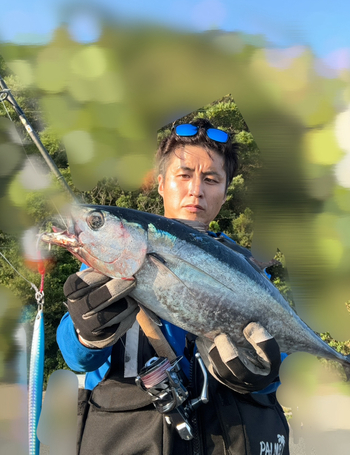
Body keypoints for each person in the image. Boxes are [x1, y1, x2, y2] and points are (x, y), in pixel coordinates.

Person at [57, 118, 290, 455]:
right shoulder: (118, 247)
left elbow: (278, 354)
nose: (196, 190)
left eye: (211, 179)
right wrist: (85, 334)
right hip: (134, 439)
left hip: (230, 438)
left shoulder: (246, 268)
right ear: (162, 184)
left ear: (224, 193)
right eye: (184, 175)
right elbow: (77, 356)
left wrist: (264, 374)